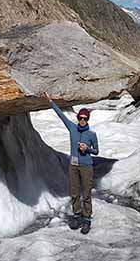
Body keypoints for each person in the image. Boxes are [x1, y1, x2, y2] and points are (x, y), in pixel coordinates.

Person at [42, 92, 99, 234]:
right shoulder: (72, 128)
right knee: (74, 192)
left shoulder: (91, 135)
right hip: (73, 166)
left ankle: (87, 219)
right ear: (78, 118)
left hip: (86, 166)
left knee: (86, 193)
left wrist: (87, 149)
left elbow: (97, 151)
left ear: (88, 120)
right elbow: (61, 115)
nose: (82, 120)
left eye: (85, 118)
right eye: (80, 118)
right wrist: (50, 101)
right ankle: (77, 215)